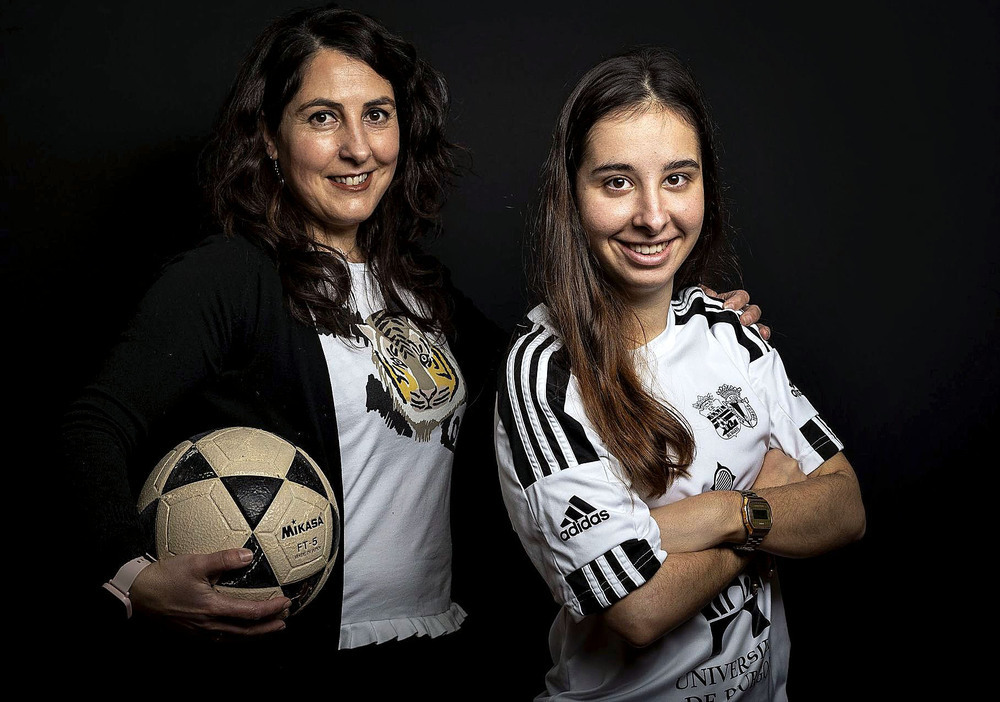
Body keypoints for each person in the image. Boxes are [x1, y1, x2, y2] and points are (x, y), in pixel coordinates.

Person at [55, 4, 766, 691]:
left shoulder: (422, 290)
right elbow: (92, 425)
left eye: (377, 114)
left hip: (436, 650)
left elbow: (565, 365)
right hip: (290, 661)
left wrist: (695, 324)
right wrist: (131, 578)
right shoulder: (230, 278)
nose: (357, 147)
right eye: (322, 117)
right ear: (270, 138)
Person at [494, 46, 866, 700]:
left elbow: (845, 508)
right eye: (616, 181)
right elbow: (636, 609)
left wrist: (686, 527)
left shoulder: (730, 332)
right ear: (570, 193)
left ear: (704, 187)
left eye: (676, 178)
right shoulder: (543, 373)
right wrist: (749, 512)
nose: (653, 215)